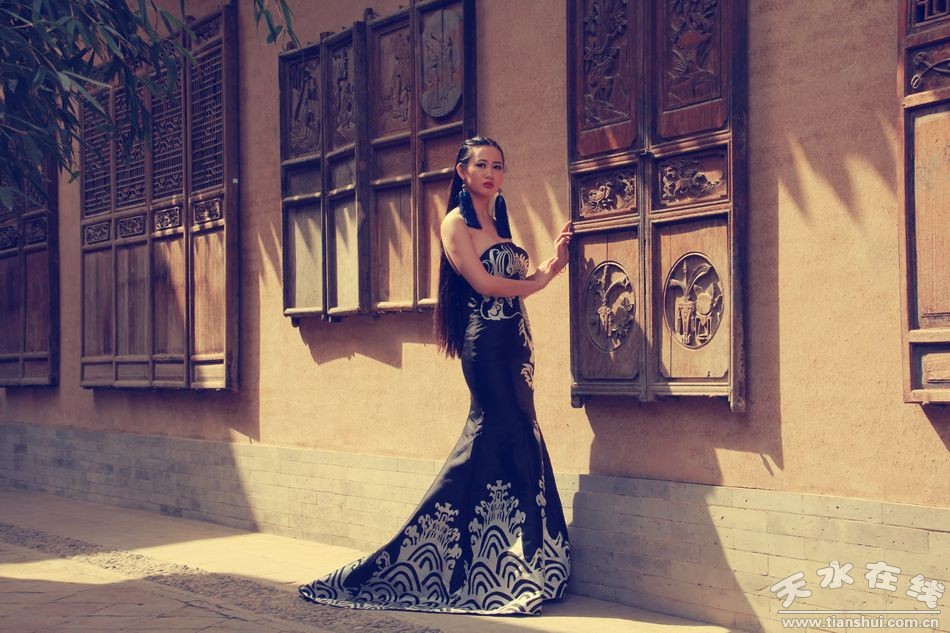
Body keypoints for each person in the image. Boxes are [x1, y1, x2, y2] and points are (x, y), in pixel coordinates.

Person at [299, 136, 573, 616]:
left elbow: (516, 284)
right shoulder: (455, 224)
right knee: (492, 434)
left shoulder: (499, 219)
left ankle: (524, 558)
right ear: (462, 172)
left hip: (517, 348)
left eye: (498, 166)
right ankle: (443, 557)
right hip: (485, 349)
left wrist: (553, 264)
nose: (491, 173)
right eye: (482, 165)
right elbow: (485, 284)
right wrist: (540, 280)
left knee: (522, 434)